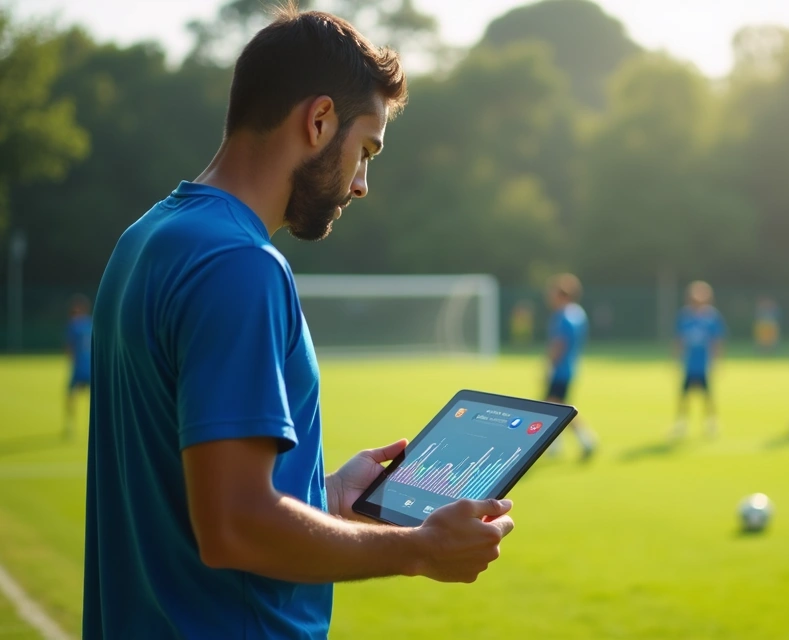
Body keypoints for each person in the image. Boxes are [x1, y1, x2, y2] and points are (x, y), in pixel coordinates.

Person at [84, 10, 513, 639]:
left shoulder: (147, 237)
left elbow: (201, 488)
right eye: (365, 150)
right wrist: (419, 548)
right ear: (318, 122)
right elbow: (235, 525)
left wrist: (332, 495)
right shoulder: (240, 265)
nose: (362, 183)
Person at [542, 273, 595, 460]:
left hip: (561, 369)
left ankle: (586, 440)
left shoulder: (564, 315)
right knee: (554, 407)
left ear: (562, 294)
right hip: (571, 366)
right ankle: (555, 445)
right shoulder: (578, 313)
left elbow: (559, 343)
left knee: (557, 408)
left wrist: (549, 365)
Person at [672, 281, 726, 439]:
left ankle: (711, 422)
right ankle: (681, 423)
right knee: (684, 395)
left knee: (708, 395)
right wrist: (676, 359)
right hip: (689, 364)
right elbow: (679, 339)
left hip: (704, 364)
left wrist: (717, 361)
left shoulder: (711, 317)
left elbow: (717, 341)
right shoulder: (685, 316)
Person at [64, 294, 93, 440]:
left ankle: (70, 426)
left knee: (71, 396)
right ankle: (97, 426)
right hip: (91, 367)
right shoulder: (91, 323)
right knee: (94, 399)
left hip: (80, 367)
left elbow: (69, 348)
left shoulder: (74, 324)